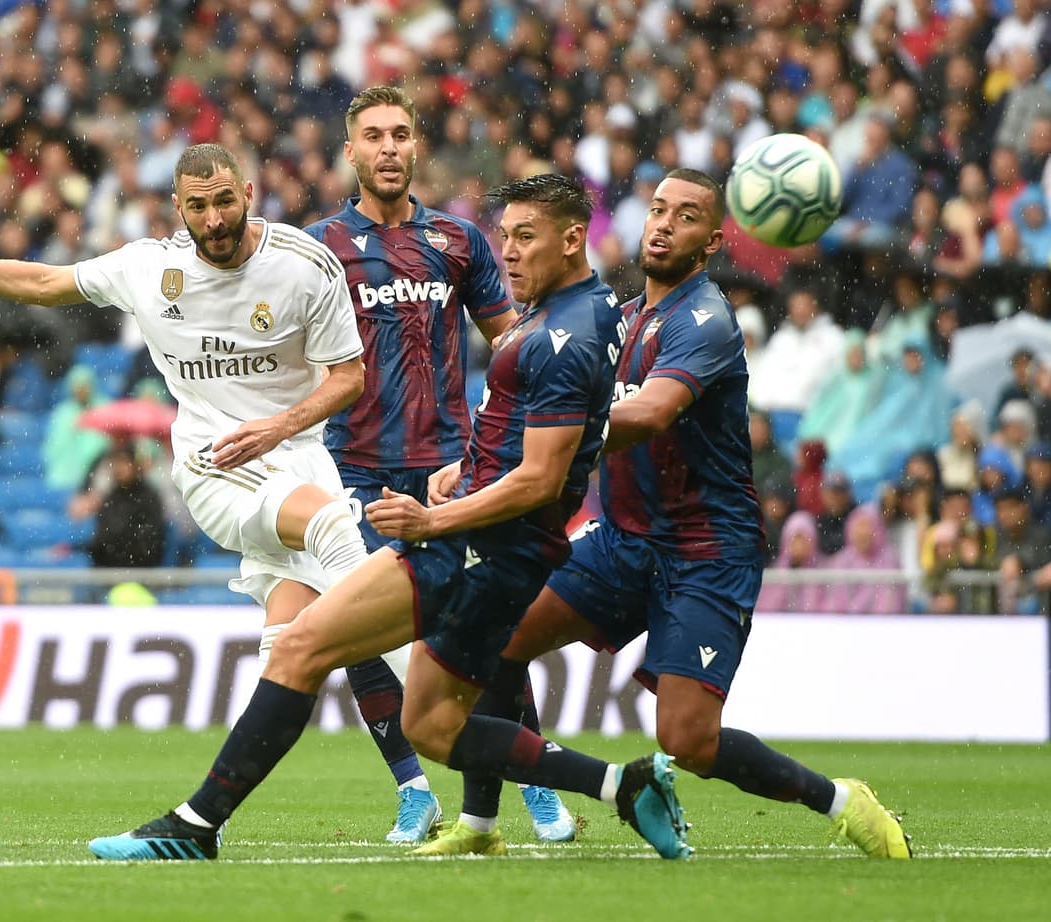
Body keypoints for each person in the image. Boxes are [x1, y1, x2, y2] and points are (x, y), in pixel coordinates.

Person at [84, 174, 681, 863]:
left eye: (526, 237)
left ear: (574, 239)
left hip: (476, 548)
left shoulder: (559, 337)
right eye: (505, 236)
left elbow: (542, 477)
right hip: (505, 549)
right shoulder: (594, 309)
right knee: (433, 726)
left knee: (303, 646)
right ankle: (623, 785)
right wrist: (475, 464)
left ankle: (195, 825)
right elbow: (555, 438)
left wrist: (435, 522)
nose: (509, 253)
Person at [417, 170, 910, 859]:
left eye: (685, 216)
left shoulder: (706, 320)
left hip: (705, 550)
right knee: (499, 641)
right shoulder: (616, 319)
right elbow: (536, 408)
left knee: (687, 741)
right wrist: (481, 464)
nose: (663, 225)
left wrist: (543, 440)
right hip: (622, 540)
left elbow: (650, 413)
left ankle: (839, 799)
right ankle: (479, 825)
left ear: (710, 242)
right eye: (656, 210)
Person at [0, 141, 375, 733]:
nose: (214, 219)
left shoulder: (303, 263)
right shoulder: (147, 268)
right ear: (177, 208)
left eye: (224, 201)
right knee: (339, 540)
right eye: (197, 207)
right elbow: (43, 282)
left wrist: (281, 426)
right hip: (218, 464)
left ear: (248, 194)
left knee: (288, 654)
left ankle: (255, 784)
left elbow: (351, 377)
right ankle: (438, 689)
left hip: (301, 459)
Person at [302, 85, 572, 843]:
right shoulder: (319, 248)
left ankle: (533, 783)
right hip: (355, 471)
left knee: (486, 629)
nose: (388, 147)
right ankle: (413, 790)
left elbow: (509, 346)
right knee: (348, 627)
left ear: (417, 146)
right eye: (373, 135)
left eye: (400, 133)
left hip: (452, 471)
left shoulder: (458, 240)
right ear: (350, 151)